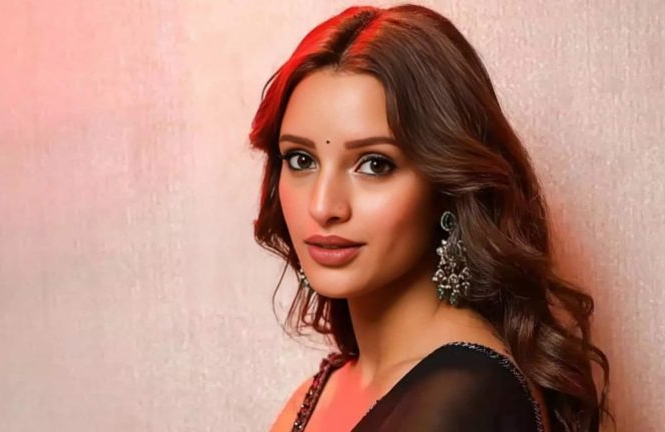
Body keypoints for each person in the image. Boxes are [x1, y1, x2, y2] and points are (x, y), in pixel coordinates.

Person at [248, 4, 613, 432]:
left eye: (375, 165)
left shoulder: (468, 397)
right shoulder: (325, 388)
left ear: (447, 185)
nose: (323, 205)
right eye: (301, 159)